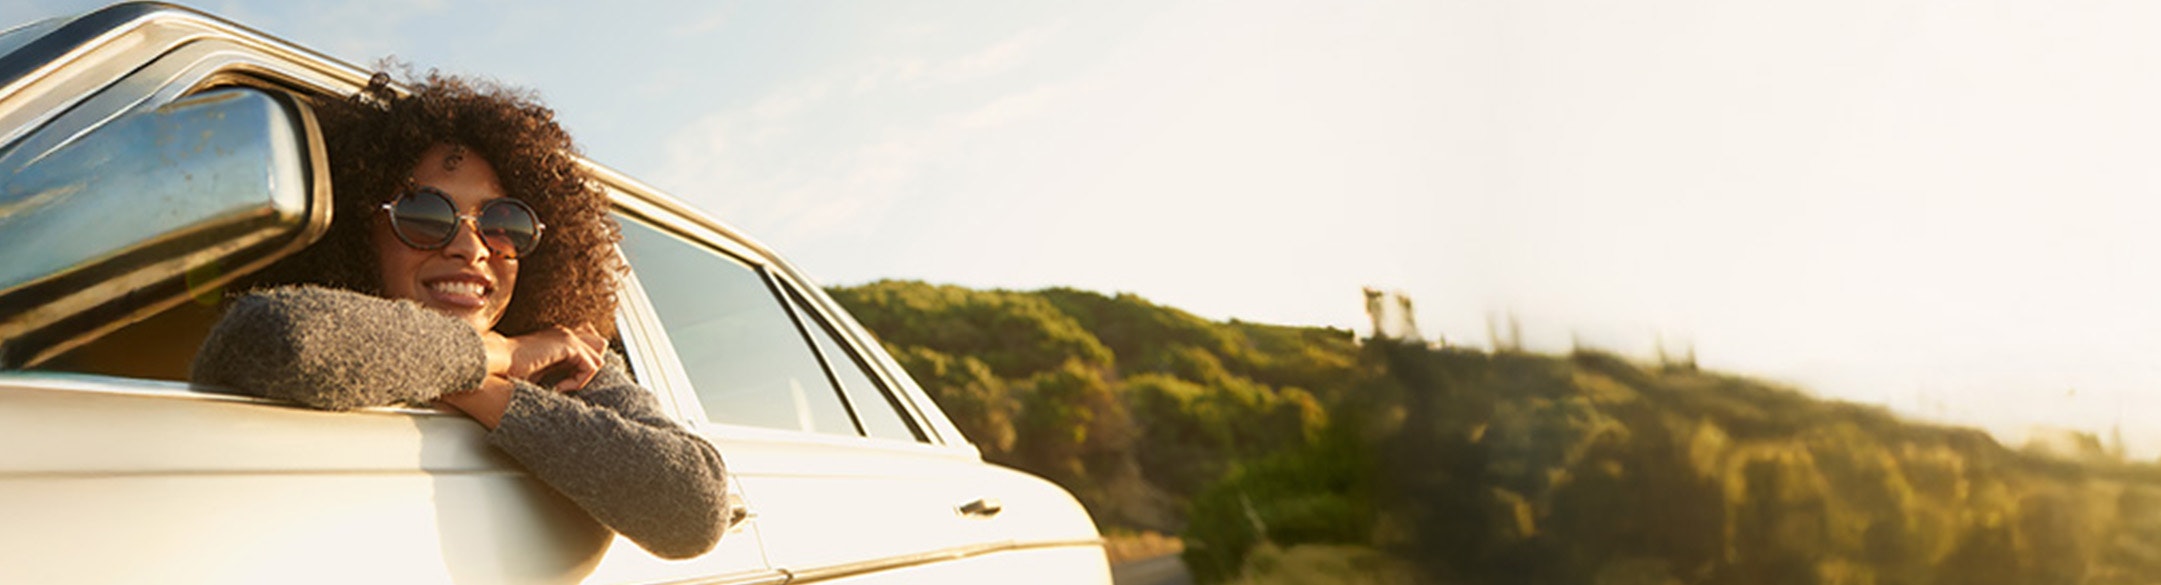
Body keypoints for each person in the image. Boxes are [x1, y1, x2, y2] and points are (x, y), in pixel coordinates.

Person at [190, 70, 730, 560]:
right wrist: (503, 355)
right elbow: (280, 338)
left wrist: (487, 389)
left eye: (504, 224)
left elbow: (695, 509)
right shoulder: (524, 351)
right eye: (425, 215)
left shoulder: (569, 365)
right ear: (359, 230)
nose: (471, 248)